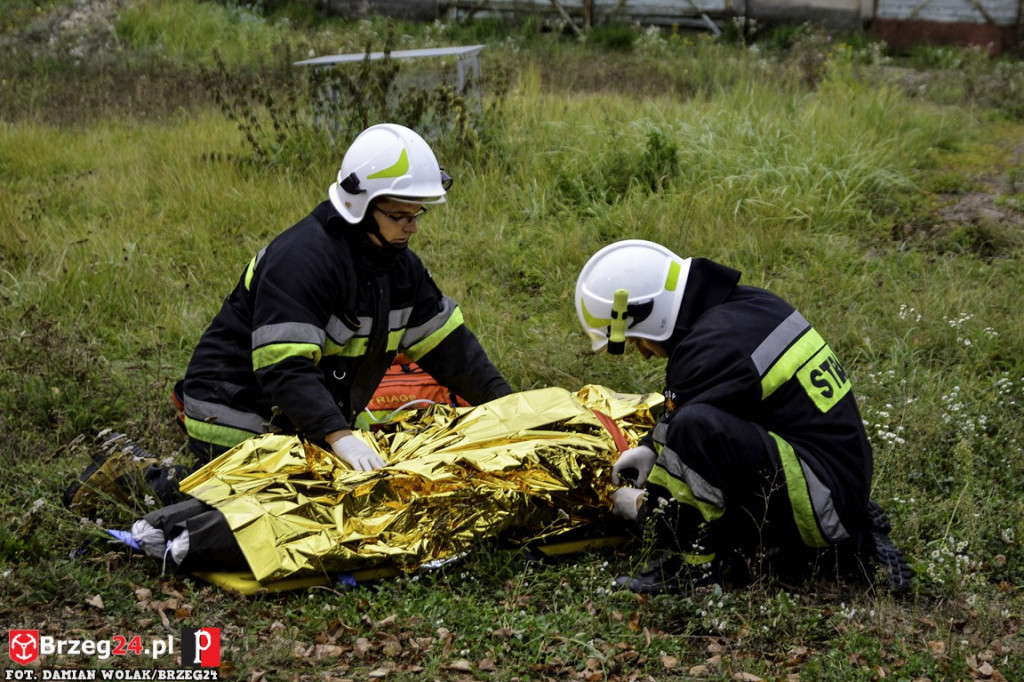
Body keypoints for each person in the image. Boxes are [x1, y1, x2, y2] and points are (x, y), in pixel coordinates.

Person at [65, 123, 511, 510]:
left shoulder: (399, 267)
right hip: (236, 409)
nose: (412, 227)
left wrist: (511, 409)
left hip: (309, 412)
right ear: (360, 206)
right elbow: (285, 368)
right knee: (287, 503)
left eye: (417, 215)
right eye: (399, 215)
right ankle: (133, 480)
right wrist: (338, 437)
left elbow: (453, 351)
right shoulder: (302, 260)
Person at [575, 239, 910, 594]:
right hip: (836, 475)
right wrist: (649, 448)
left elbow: (694, 429)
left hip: (819, 498)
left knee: (697, 432)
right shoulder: (747, 306)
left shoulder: (713, 346)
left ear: (651, 314)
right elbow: (708, 405)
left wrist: (642, 510)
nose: (643, 353)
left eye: (636, 340)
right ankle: (849, 534)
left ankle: (690, 574)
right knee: (696, 427)